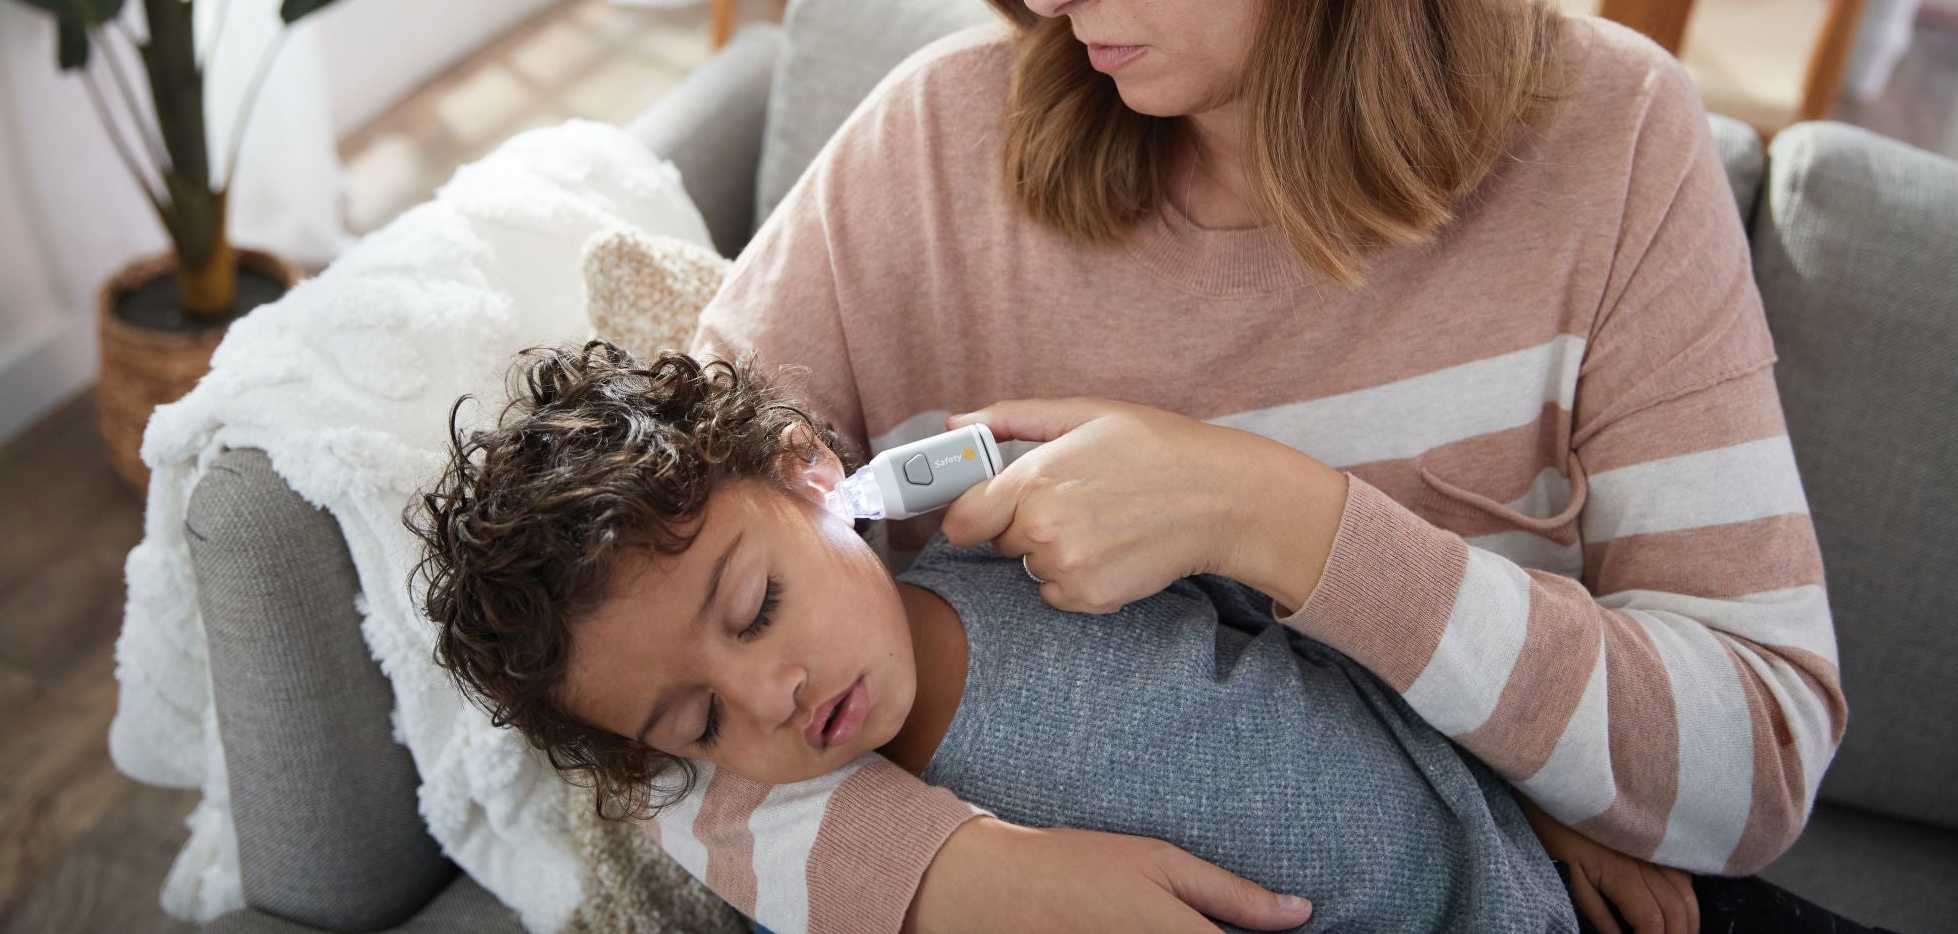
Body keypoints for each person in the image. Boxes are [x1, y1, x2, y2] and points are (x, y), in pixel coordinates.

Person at [664, 0, 1849, 931]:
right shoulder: (930, 160)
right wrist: (951, 879)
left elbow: (1757, 763)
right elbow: (618, 655)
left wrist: (1276, 517)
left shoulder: (1611, 141)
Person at [409, 345, 1880, 934]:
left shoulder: (1007, 528)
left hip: (1537, 866)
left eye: (757, 608)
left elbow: (1320, 630)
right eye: (701, 719)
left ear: (811, 475)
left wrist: (1567, 799)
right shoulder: (863, 849)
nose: (773, 700)